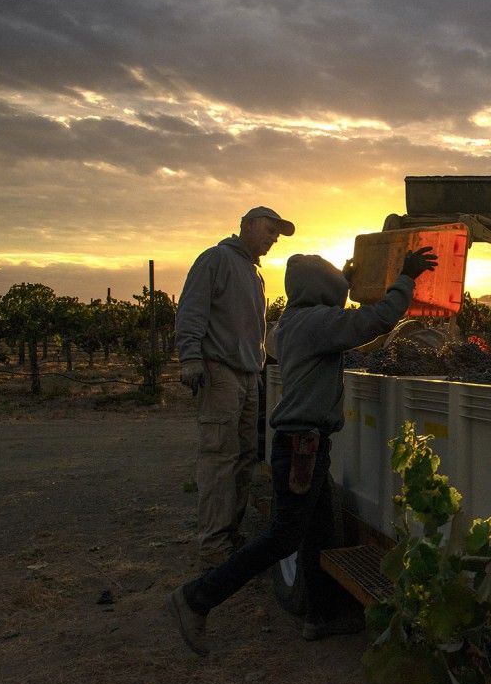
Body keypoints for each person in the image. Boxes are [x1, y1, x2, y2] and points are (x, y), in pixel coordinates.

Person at [168, 246, 438, 655]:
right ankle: (196, 599)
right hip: (302, 447)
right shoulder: (315, 323)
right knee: (283, 538)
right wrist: (407, 277)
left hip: (304, 443)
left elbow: (345, 325)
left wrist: (348, 281)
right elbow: (378, 320)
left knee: (319, 532)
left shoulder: (291, 321)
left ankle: (320, 615)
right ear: (321, 291)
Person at [174, 206, 295, 569]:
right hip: (220, 369)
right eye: (270, 229)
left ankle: (230, 534)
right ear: (247, 225)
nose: (273, 237)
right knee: (219, 456)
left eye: (277, 233)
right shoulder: (216, 259)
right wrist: (190, 356)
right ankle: (212, 543)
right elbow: (191, 309)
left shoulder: (255, 273)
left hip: (248, 374)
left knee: (244, 456)